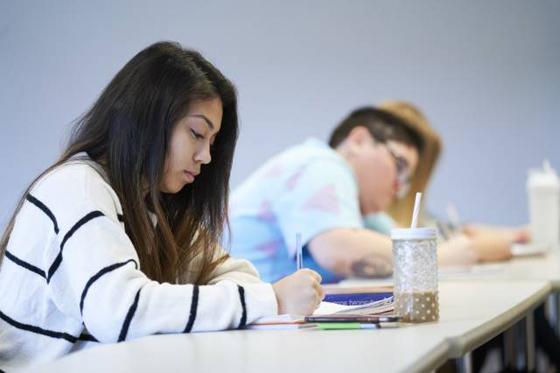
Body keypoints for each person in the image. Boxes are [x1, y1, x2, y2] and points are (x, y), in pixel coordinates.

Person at [0, 41, 323, 370]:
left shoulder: (151, 204)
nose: (207, 157)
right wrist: (272, 299)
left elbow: (235, 274)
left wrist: (257, 297)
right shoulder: (77, 187)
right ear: (147, 119)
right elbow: (120, 311)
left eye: (212, 142)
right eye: (197, 133)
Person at [226, 106, 478, 284]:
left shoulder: (357, 208)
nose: (399, 188)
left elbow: (400, 239)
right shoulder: (321, 163)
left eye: (406, 181)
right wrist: (435, 258)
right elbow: (338, 249)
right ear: (358, 140)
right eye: (399, 165)